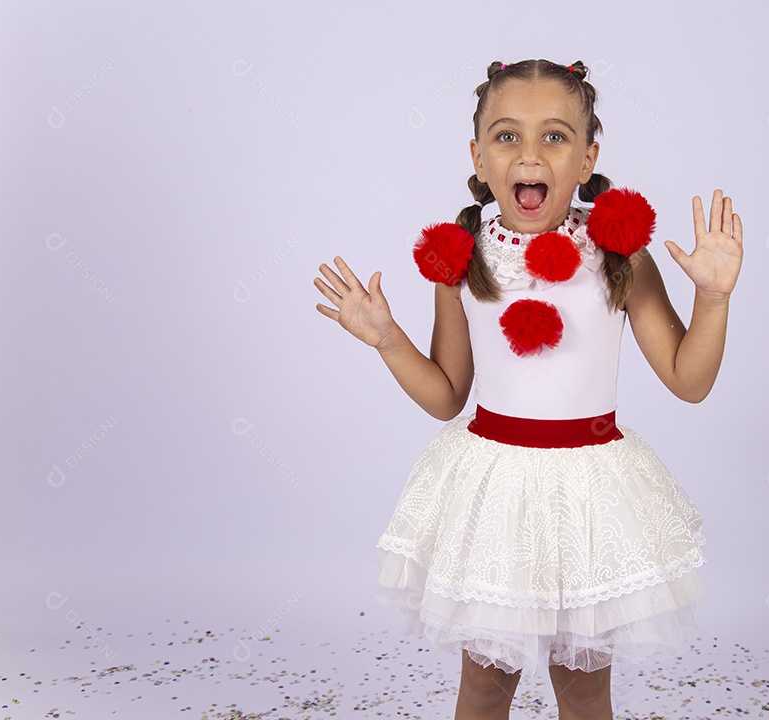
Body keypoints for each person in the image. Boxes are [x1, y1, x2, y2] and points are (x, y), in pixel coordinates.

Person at [314, 58, 743, 720]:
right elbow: (445, 394)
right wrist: (387, 338)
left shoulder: (619, 253)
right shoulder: (460, 255)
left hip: (591, 495)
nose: (530, 153)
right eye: (508, 136)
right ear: (479, 157)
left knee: (583, 686)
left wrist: (712, 298)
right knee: (485, 683)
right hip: (494, 495)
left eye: (555, 136)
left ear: (588, 156)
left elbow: (690, 380)